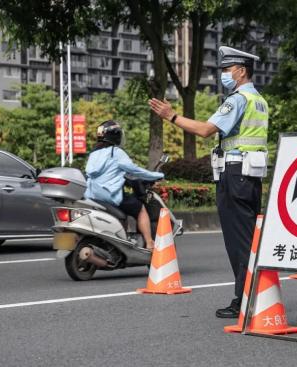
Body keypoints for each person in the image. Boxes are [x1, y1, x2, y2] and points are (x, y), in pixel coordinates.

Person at [148, 46, 268, 318]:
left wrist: (172, 116)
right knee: (249, 239)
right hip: (250, 176)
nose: (224, 75)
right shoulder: (259, 100)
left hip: (235, 175)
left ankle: (244, 299)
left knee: (238, 242)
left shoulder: (237, 99)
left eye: (227, 70)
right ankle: (255, 294)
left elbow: (204, 130)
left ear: (241, 71)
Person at [84, 120, 164, 250]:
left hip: (93, 196)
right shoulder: (116, 152)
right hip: (111, 196)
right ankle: (150, 242)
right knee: (141, 209)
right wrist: (157, 175)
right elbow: (135, 170)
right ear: (116, 135)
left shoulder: (94, 154)